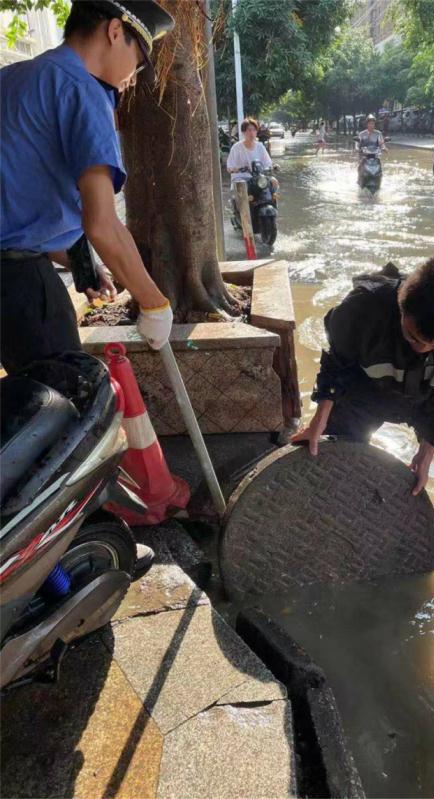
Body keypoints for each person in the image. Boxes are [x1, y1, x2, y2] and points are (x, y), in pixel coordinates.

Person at [1, 0, 176, 573]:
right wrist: (153, 301)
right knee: (73, 420)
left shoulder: (16, 78)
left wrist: (77, 259)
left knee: (27, 414)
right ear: (114, 30)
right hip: (17, 280)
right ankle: (69, 556)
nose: (136, 74)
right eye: (139, 59)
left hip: (15, 268)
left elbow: (23, 190)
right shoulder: (83, 90)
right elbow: (103, 223)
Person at [292, 257, 434, 554]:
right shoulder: (362, 308)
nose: (422, 349)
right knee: (326, 448)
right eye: (413, 337)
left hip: (430, 398)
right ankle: (332, 525)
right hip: (368, 392)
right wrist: (318, 420)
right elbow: (336, 365)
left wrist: (427, 451)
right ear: (401, 306)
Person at [227, 116, 272, 186]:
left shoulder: (260, 146)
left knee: (273, 182)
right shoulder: (236, 148)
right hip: (241, 178)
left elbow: (267, 163)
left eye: (254, 130)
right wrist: (236, 169)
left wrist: (272, 167)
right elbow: (229, 167)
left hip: (257, 178)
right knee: (242, 185)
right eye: (249, 130)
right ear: (243, 132)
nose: (252, 133)